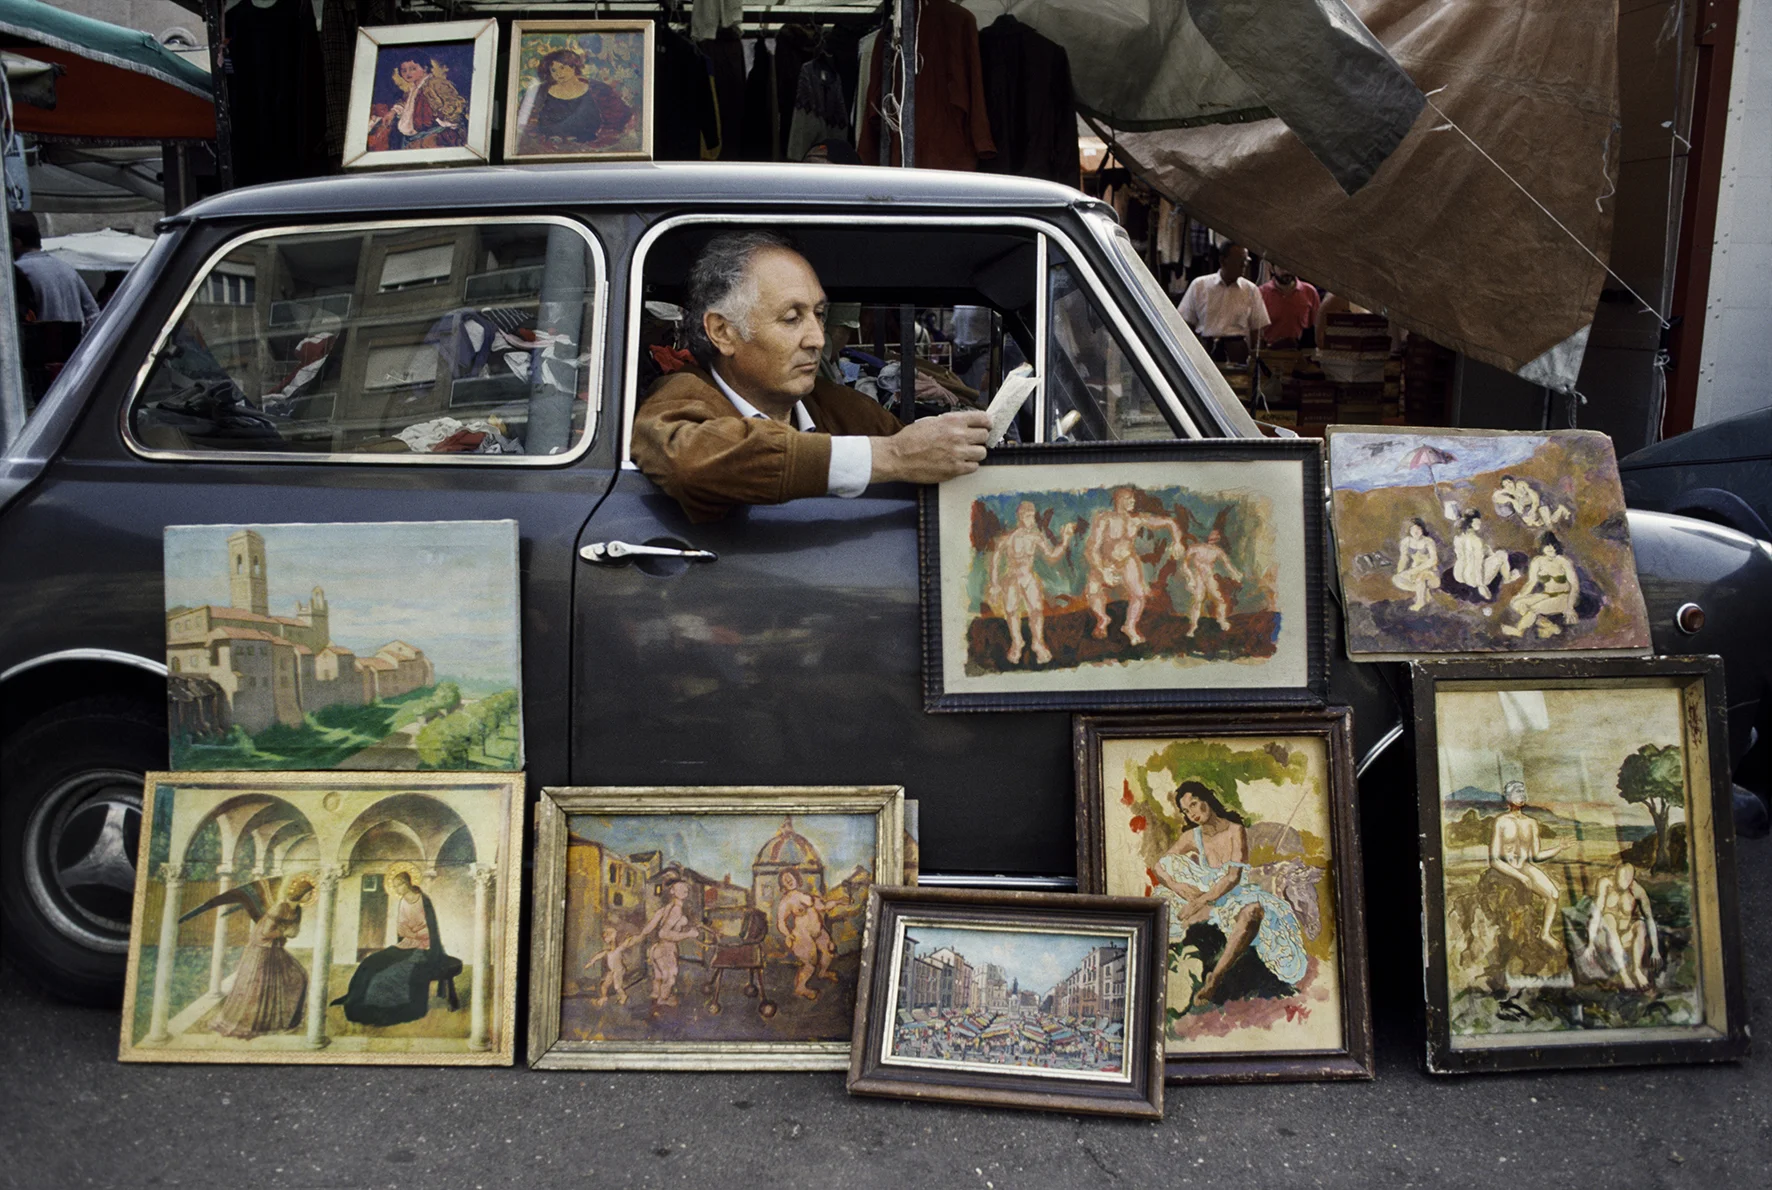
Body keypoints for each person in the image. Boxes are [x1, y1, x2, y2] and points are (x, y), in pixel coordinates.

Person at [631, 230, 991, 523]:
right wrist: (893, 455)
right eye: (791, 319)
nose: (818, 338)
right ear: (723, 332)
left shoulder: (834, 404)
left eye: (819, 314)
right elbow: (690, 462)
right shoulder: (681, 396)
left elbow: (921, 453)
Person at [1151, 781, 1307, 1008]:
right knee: (1171, 882)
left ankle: (1216, 977)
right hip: (1206, 898)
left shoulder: (1235, 830)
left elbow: (1233, 877)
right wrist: (1180, 888)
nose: (1192, 813)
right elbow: (1159, 866)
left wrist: (1200, 902)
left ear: (1208, 800)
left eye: (1194, 804)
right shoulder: (1192, 837)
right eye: (1186, 810)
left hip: (1234, 894)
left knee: (1253, 913)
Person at [331, 867, 461, 1026]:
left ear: (406, 883)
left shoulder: (423, 900)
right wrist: (412, 932)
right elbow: (401, 928)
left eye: (398, 885)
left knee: (387, 975)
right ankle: (355, 997)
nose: (396, 889)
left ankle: (377, 1007)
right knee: (369, 963)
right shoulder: (403, 902)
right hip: (405, 944)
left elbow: (430, 929)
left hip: (423, 948)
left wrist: (414, 933)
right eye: (394, 886)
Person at [209, 874, 316, 1039]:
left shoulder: (298, 910)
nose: (311, 896)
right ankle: (255, 1024)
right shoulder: (280, 907)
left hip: (276, 949)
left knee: (299, 976)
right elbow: (264, 933)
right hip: (262, 950)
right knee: (259, 987)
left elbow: (293, 932)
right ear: (301, 892)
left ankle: (283, 1021)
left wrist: (289, 932)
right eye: (309, 892)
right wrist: (283, 932)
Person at [1084, 487, 1184, 646]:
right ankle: (1102, 619)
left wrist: (1177, 541)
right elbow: (1091, 549)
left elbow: (1169, 522)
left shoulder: (1137, 519)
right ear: (1119, 500)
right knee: (1092, 591)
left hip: (1127, 561)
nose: (1133, 501)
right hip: (1105, 561)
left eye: (1133, 498)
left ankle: (1129, 626)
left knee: (1138, 594)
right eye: (1129, 498)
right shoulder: (1105, 519)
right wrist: (1102, 570)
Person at [988, 501, 1076, 665]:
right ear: (1020, 516)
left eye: (1033, 515)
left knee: (1036, 610)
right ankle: (1017, 642)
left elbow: (1051, 556)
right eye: (1028, 516)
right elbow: (994, 562)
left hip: (1028, 577)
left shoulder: (1036, 536)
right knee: (1011, 611)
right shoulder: (1007, 539)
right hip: (1012, 578)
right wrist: (994, 585)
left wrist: (1064, 541)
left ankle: (1038, 643)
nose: (1032, 519)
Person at [1488, 780, 1563, 946]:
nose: (1520, 795)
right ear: (1508, 797)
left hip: (1525, 866)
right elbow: (1494, 860)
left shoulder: (1531, 823)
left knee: (1554, 895)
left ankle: (1545, 934)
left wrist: (1558, 848)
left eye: (1522, 792)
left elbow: (1535, 855)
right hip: (1505, 868)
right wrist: (1520, 876)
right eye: (1516, 792)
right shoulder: (1501, 822)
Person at [516, 48, 631, 153]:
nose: (559, 74)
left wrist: (597, 143)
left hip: (591, 150)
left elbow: (619, 116)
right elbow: (524, 123)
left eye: (562, 67)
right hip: (548, 151)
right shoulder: (540, 92)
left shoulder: (598, 90)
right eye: (553, 70)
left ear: (574, 66)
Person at [1175, 243, 1269, 363]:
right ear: (1223, 261)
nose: (1244, 265)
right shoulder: (1200, 285)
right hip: (1205, 351)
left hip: (1238, 352)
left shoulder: (1251, 290)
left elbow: (1257, 329)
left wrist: (1255, 360)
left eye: (1246, 260)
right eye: (1240, 260)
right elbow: (1185, 322)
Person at [10, 212, 99, 332]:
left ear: (16, 242)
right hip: (76, 347)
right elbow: (93, 314)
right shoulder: (67, 269)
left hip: (40, 346)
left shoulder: (17, 272)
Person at [1583, 861, 1659, 990]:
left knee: (1640, 925)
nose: (1621, 883)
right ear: (1616, 874)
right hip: (1606, 936)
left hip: (1626, 937)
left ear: (1631, 880)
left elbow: (1649, 919)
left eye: (1626, 880)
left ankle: (1636, 970)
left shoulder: (1638, 891)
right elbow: (1597, 913)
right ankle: (1624, 974)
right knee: (1609, 919)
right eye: (1619, 879)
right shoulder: (1605, 883)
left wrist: (1655, 949)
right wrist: (1590, 943)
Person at [775, 869, 837, 1001]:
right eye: (785, 880)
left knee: (828, 952)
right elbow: (781, 922)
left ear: (797, 878)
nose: (789, 881)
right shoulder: (786, 901)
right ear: (783, 885)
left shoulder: (805, 895)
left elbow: (822, 907)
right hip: (803, 935)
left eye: (790, 877)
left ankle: (823, 972)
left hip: (819, 931)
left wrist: (838, 902)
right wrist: (788, 935)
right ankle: (800, 988)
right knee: (810, 963)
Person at [1502, 533, 1580, 637]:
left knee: (1533, 610)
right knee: (1516, 603)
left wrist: (1570, 607)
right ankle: (1551, 627)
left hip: (1563, 596)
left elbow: (1575, 586)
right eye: (1547, 545)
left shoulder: (1563, 561)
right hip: (1547, 594)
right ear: (1542, 547)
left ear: (1557, 546)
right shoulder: (1537, 561)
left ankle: (1519, 630)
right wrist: (1520, 596)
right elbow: (1531, 582)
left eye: (1553, 545)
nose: (1551, 548)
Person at [379, 59, 467, 151]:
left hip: (434, 136)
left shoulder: (436, 83)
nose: (408, 73)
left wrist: (440, 119)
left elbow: (455, 104)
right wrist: (392, 112)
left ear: (424, 68)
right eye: (404, 70)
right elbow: (404, 103)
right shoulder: (412, 89)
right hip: (413, 138)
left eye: (413, 69)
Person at [640, 877, 700, 1008]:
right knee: (670, 977)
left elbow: (649, 927)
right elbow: (664, 933)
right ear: (672, 891)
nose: (684, 890)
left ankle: (656, 995)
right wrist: (688, 934)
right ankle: (663, 999)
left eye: (685, 887)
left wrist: (640, 936)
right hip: (666, 949)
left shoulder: (666, 908)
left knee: (659, 976)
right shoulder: (676, 910)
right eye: (680, 888)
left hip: (656, 949)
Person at [1178, 529, 1244, 636]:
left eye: (1217, 535)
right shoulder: (1196, 547)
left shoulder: (1218, 551)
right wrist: (1190, 578)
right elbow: (1184, 564)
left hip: (1209, 577)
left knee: (1220, 600)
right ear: (1208, 535)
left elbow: (1227, 564)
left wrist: (1235, 573)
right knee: (1198, 600)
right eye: (1213, 534)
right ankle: (1193, 627)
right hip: (1198, 576)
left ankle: (1221, 620)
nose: (1215, 536)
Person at [1451, 510, 1516, 600]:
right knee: (1502, 554)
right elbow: (1478, 563)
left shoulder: (1457, 538)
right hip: (1473, 579)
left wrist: (1488, 551)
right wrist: (1480, 585)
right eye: (1477, 520)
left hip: (1458, 575)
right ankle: (1507, 578)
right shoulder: (1476, 540)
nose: (1480, 522)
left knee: (1487, 551)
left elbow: (1462, 556)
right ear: (1471, 522)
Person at [1257, 268, 1320, 349]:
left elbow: (1316, 327)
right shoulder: (1261, 293)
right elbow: (1255, 331)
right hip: (1270, 354)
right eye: (1281, 267)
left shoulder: (1310, 292)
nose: (1287, 271)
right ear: (1272, 269)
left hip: (1302, 354)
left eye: (1290, 266)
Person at [583, 925, 640, 1006]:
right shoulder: (608, 952)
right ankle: (604, 997)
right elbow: (598, 956)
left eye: (607, 937)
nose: (606, 940)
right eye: (605, 938)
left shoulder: (619, 949)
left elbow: (625, 943)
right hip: (612, 971)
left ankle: (624, 997)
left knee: (617, 987)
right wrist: (591, 962)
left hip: (618, 971)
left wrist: (629, 938)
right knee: (604, 985)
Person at [1392, 518, 1441, 612]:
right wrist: (1401, 573)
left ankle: (1420, 602)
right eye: (1413, 529)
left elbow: (1433, 560)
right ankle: (1424, 591)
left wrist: (1413, 571)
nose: (1416, 531)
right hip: (1413, 571)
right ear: (1409, 530)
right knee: (1396, 579)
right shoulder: (1406, 542)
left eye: (1418, 529)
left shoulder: (1428, 541)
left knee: (1420, 577)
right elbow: (1403, 559)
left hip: (1430, 572)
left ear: (1422, 529)